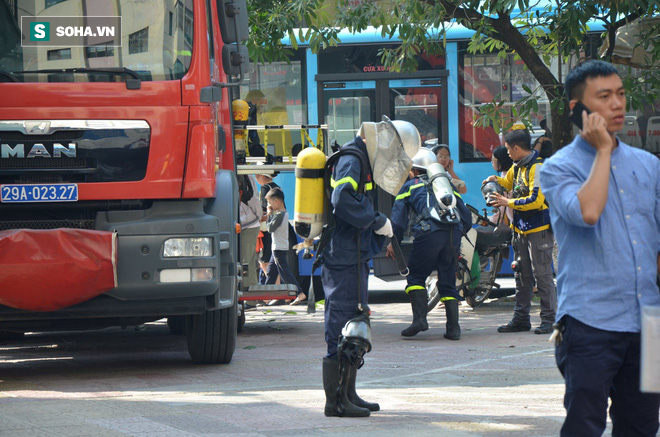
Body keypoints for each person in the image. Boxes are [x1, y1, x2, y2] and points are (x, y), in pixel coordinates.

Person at [538, 59, 660, 437]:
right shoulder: (557, 168)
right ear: (578, 110)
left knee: (643, 425)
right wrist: (603, 151)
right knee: (584, 424)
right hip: (590, 323)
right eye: (604, 97)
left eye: (621, 95)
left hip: (649, 323)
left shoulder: (649, 165)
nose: (617, 105)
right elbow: (588, 212)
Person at [319, 116, 419, 417]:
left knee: (355, 324)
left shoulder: (359, 158)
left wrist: (377, 222)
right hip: (344, 257)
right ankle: (335, 402)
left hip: (353, 255)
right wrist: (377, 221)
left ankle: (348, 394)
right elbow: (342, 199)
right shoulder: (352, 158)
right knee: (341, 326)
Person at [387, 148, 468, 340]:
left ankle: (420, 320)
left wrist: (393, 243)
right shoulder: (447, 185)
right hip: (453, 233)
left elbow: (397, 222)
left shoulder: (410, 186)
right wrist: (456, 238)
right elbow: (465, 217)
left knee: (416, 277)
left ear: (414, 170)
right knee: (447, 280)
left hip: (428, 234)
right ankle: (453, 329)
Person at [483, 128, 556, 335]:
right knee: (521, 276)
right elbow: (508, 182)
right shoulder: (517, 166)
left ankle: (549, 320)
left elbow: (536, 199)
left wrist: (508, 202)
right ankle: (521, 319)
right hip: (520, 230)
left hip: (539, 230)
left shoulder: (538, 167)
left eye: (507, 149)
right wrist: (494, 181)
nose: (506, 154)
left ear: (516, 148)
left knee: (542, 276)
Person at [263, 188, 303, 302]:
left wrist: (269, 215)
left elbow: (270, 229)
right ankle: (265, 297)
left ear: (277, 202)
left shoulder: (280, 215)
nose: (269, 206)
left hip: (279, 248)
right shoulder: (282, 214)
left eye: (270, 203)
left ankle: (299, 293)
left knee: (285, 273)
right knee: (271, 272)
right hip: (276, 247)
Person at [255, 173, 280, 285]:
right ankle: (278, 287)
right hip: (277, 226)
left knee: (265, 260)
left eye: (257, 175)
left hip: (266, 227)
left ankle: (272, 287)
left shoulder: (265, 188)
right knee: (275, 260)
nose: (256, 178)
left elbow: (263, 209)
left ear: (262, 176)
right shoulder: (277, 187)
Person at [238, 174, 262, 291]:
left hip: (248, 224)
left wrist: (258, 216)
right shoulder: (245, 176)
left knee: (247, 262)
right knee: (247, 261)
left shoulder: (245, 176)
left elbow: (254, 200)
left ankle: (250, 296)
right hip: (245, 224)